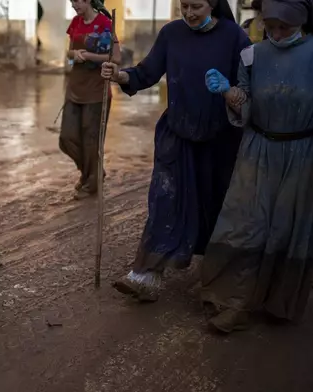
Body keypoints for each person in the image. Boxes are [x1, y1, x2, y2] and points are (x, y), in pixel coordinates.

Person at [100, 0, 250, 301]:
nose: (190, 13)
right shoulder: (171, 34)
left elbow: (249, 88)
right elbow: (146, 73)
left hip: (220, 139)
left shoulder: (235, 37)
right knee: (165, 199)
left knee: (216, 206)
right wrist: (120, 76)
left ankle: (216, 280)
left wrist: (230, 93)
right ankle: (145, 275)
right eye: (184, 6)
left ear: (213, 4)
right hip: (177, 133)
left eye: (197, 6)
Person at [201, 0, 313, 333]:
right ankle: (233, 302)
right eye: (270, 26)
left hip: (303, 154)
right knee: (244, 223)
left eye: (285, 28)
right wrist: (229, 93)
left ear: (303, 21)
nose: (276, 35)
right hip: (257, 148)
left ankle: (277, 300)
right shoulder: (252, 55)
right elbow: (245, 102)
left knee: (285, 230)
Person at [60, 0, 122, 200]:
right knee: (67, 138)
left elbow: (116, 58)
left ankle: (91, 182)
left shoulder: (104, 23)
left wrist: (89, 56)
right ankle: (91, 173)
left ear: (88, 0)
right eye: (71, 2)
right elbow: (68, 56)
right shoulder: (75, 22)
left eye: (76, 1)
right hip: (74, 88)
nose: (73, 5)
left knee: (91, 141)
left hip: (96, 91)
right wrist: (74, 55)